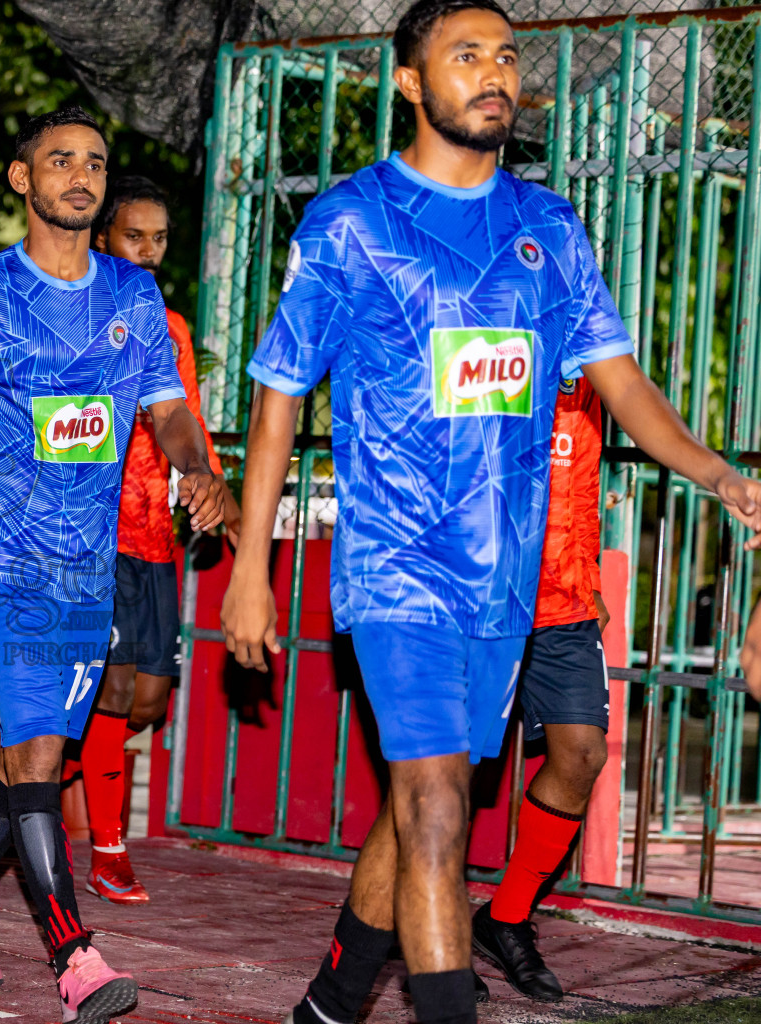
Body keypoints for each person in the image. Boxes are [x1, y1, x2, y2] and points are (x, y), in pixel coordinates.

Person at [214, 3, 761, 1023]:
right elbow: (281, 388)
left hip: (504, 582)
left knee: (430, 801)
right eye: (467, 55)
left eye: (507, 54)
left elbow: (622, 382)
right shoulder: (351, 221)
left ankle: (332, 1001)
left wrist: (719, 475)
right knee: (434, 807)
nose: (496, 72)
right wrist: (252, 562)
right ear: (413, 83)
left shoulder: (548, 228)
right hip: (395, 567)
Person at [0, 106, 228, 1024]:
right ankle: (74, 956)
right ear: (21, 179)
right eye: (61, 161)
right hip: (10, 559)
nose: (81, 176)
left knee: (33, 754)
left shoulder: (132, 296)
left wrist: (197, 468)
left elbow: (168, 409)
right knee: (39, 752)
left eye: (95, 163)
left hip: (94, 564)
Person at [79, 174, 240, 903]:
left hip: (155, 536)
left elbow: (183, 419)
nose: (147, 251)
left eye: (159, 239)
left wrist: (209, 482)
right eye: (133, 236)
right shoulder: (74, 309)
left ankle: (28, 782)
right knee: (112, 691)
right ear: (104, 237)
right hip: (94, 533)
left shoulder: (169, 327)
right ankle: (108, 850)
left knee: (148, 702)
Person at [469, 374, 609, 1001]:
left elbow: (582, 478)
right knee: (453, 770)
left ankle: (504, 918)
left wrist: (591, 570)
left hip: (567, 596)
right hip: (483, 591)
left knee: (582, 753)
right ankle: (432, 930)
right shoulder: (494, 332)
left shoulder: (596, 367)